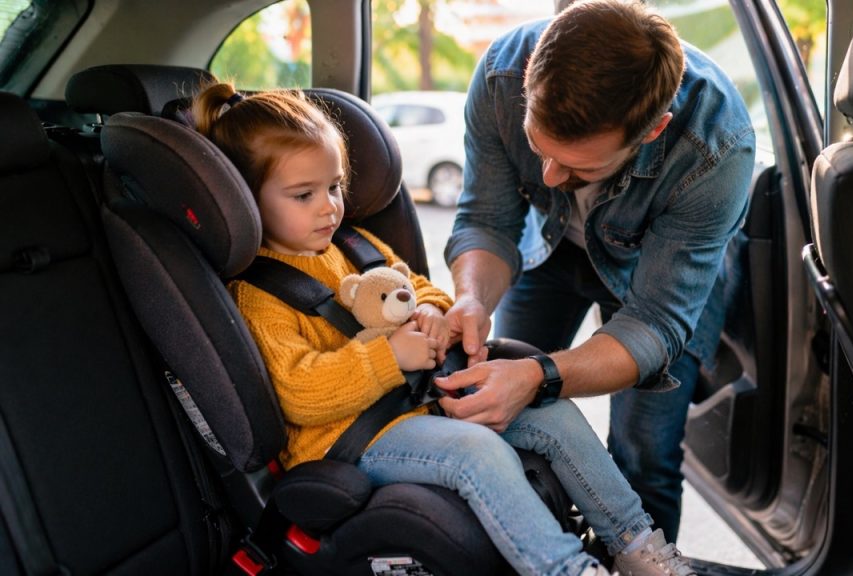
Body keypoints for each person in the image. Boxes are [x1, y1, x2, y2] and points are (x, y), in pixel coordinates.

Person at [194, 82, 698, 576]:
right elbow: (299, 392)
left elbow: (418, 288)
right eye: (303, 195)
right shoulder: (258, 295)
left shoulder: (353, 245)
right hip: (348, 439)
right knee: (476, 452)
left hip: (419, 404)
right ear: (246, 200)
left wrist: (434, 313)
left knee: (553, 413)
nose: (328, 206)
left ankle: (637, 548)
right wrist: (389, 357)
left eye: (333, 187)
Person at [438, 0, 755, 543]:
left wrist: (540, 376)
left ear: (653, 130)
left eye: (582, 166)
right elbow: (488, 221)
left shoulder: (717, 147)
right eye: (538, 146)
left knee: (643, 453)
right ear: (534, 71)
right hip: (552, 248)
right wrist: (471, 299)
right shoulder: (500, 75)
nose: (550, 175)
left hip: (659, 274)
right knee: (496, 415)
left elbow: (654, 322)